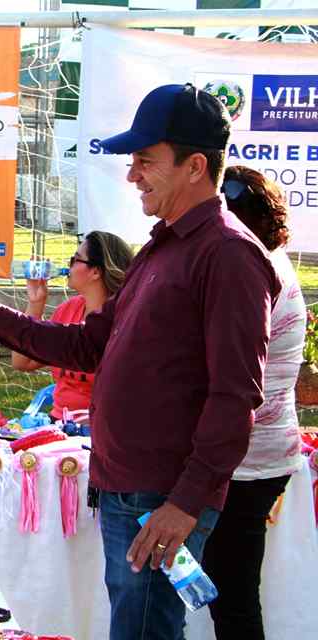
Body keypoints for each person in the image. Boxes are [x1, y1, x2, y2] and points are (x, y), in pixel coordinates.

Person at [0, 84, 278, 640]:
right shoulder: (162, 246)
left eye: (146, 162)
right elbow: (88, 346)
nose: (133, 176)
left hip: (161, 497)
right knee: (135, 623)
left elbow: (236, 395)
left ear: (195, 166)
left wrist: (186, 503)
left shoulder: (228, 255)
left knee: (145, 629)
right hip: (128, 486)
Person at [200, 165, 306, 640]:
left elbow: (240, 383)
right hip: (255, 453)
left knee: (234, 599)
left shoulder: (252, 269)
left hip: (247, 460)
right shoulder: (263, 262)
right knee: (231, 594)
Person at [11, 231, 133, 421]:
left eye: (75, 260)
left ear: (95, 272)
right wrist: (36, 303)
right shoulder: (68, 310)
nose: (68, 266)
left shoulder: (124, 320)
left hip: (103, 428)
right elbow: (22, 362)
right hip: (60, 423)